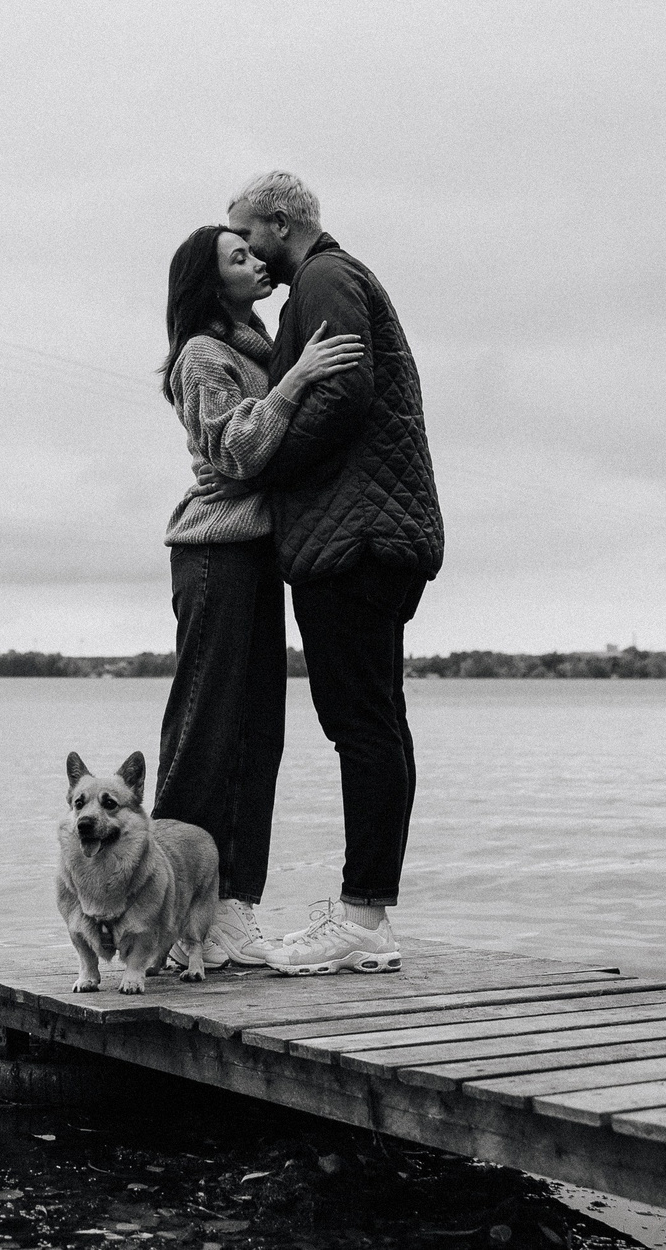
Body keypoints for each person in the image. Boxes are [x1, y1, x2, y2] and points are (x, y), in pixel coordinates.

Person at [222, 171, 443, 976]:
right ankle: (366, 912)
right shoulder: (335, 279)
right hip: (372, 533)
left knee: (362, 724)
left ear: (281, 224)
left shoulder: (323, 277)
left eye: (248, 234)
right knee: (376, 720)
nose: (248, 251)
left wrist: (266, 462)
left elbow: (345, 390)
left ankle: (362, 918)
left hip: (355, 540)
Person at [156, 225, 365, 969]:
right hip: (214, 551)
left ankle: (232, 909)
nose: (256, 261)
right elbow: (238, 451)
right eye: (237, 257)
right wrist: (297, 378)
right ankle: (172, 911)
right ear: (211, 284)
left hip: (255, 555)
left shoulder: (257, 347)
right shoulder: (201, 355)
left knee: (257, 734)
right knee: (206, 730)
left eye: (252, 250)